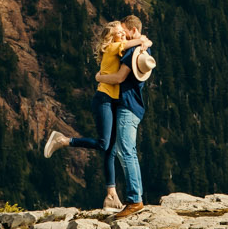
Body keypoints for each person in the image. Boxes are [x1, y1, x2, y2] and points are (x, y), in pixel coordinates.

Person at [43, 14, 155, 216]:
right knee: (113, 147)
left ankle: (131, 199)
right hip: (113, 101)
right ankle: (120, 196)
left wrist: (99, 76)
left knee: (120, 150)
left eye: (123, 32)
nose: (122, 36)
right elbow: (137, 44)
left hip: (124, 105)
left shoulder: (133, 51)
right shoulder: (134, 50)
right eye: (118, 33)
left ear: (131, 31)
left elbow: (120, 77)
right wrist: (144, 40)